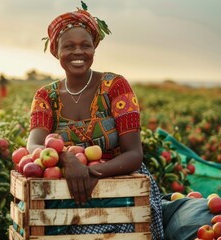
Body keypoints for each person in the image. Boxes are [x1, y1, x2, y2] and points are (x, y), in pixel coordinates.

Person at [26, 2, 164, 239]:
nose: (78, 52)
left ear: (93, 50)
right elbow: (34, 145)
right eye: (68, 46)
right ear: (56, 51)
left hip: (122, 189)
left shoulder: (115, 86)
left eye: (85, 46)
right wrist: (67, 159)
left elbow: (134, 154)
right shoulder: (45, 96)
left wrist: (92, 173)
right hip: (67, 191)